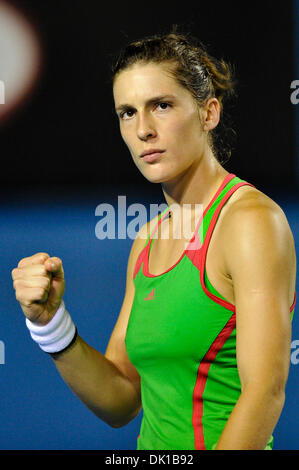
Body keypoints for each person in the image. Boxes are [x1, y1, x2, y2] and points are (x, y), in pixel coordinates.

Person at [11, 29, 297, 450]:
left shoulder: (252, 222)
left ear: (208, 113)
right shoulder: (147, 238)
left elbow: (265, 392)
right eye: (127, 113)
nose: (143, 129)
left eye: (161, 106)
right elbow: (122, 398)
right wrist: (51, 325)